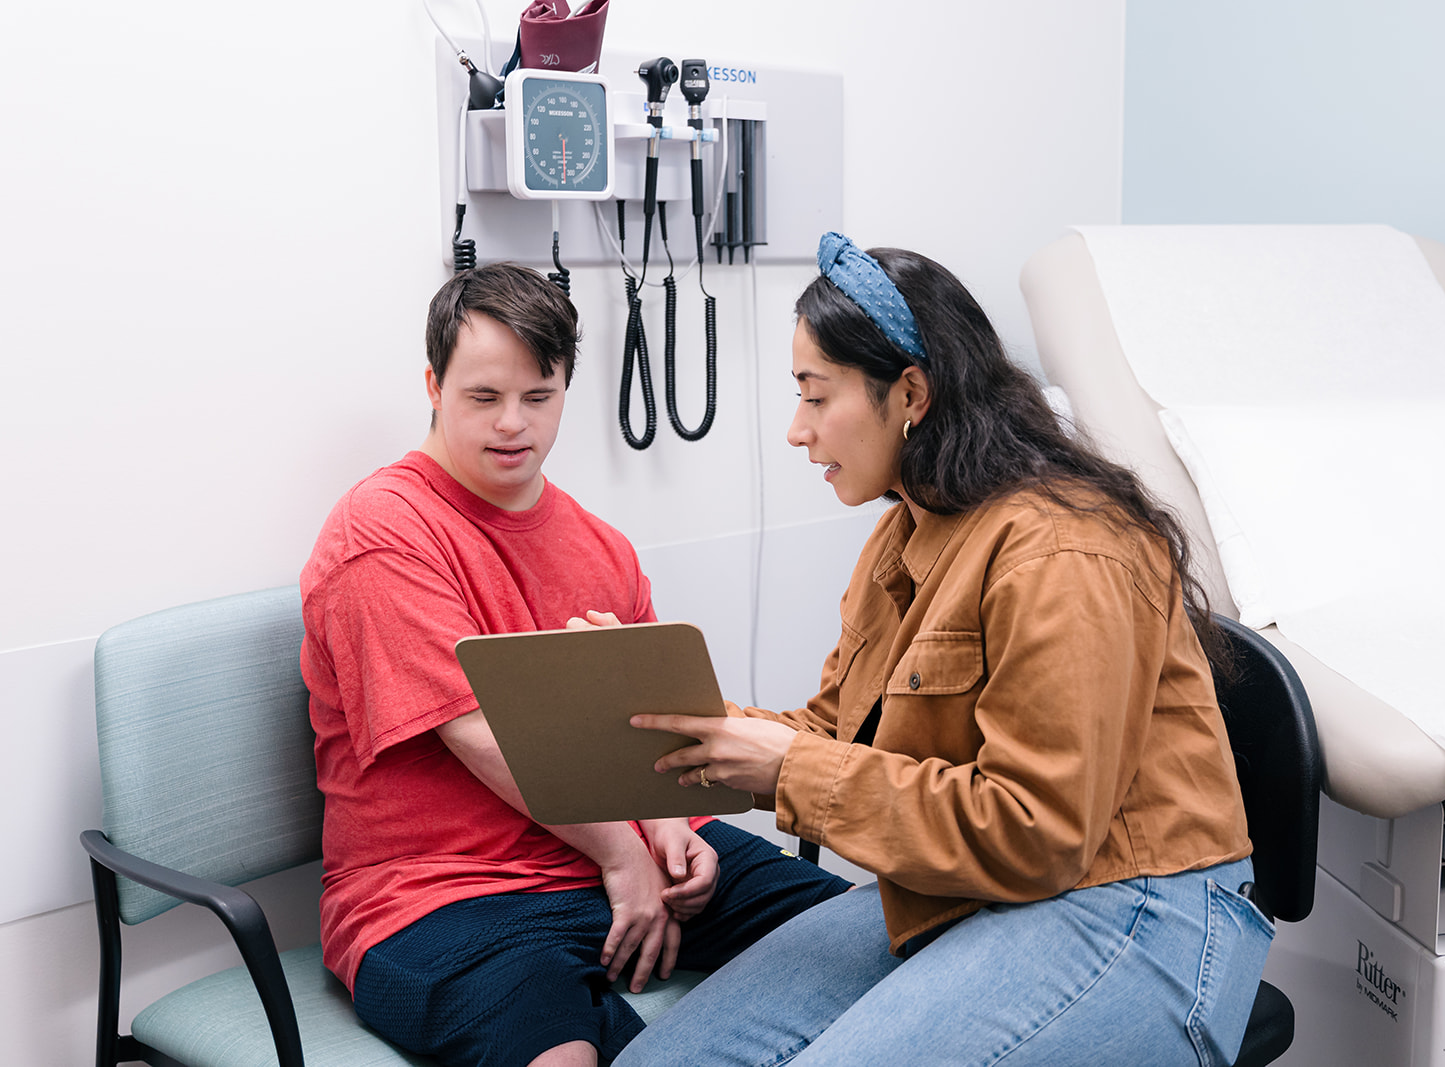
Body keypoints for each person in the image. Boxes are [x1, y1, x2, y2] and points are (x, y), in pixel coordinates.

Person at [619, 234, 1273, 1066]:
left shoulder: (1065, 551)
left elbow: (1040, 831)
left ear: (911, 394)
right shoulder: (910, 527)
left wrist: (786, 767)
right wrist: (667, 715)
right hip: (979, 889)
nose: (796, 430)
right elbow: (836, 730)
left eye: (816, 397)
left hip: (1138, 903)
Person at [300, 263, 850, 1067]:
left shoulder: (600, 545)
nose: (511, 425)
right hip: (442, 893)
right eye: (483, 398)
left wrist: (666, 832)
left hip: (614, 853)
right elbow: (487, 736)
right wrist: (623, 858)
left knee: (872, 939)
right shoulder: (383, 531)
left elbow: (652, 723)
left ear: (566, 386)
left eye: (538, 396)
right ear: (433, 384)